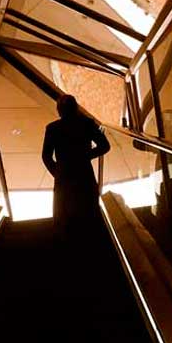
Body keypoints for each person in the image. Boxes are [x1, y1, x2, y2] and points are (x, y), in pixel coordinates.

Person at [42, 95, 110, 238]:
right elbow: (104, 146)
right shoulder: (87, 124)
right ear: (76, 107)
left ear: (59, 110)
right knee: (88, 211)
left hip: (63, 177)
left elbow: (46, 156)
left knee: (64, 214)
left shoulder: (52, 128)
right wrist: (86, 155)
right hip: (84, 173)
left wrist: (57, 171)